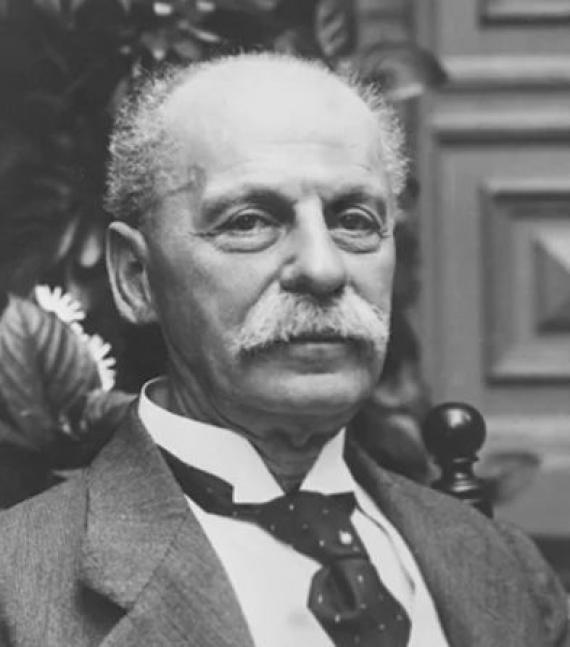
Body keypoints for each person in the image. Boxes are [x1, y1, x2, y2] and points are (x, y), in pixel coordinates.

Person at [0, 53, 567, 647]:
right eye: (250, 221)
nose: (323, 268)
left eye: (353, 219)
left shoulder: (505, 571)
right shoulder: (21, 591)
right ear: (137, 278)